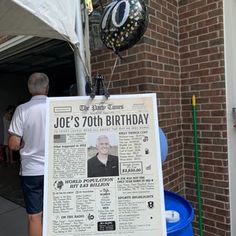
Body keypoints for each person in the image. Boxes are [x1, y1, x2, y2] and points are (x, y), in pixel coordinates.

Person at [8, 72, 49, 236]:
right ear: (47, 88)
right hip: (56, 169)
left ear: (29, 89)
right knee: (55, 213)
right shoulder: (56, 106)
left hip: (31, 171)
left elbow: (13, 144)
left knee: (34, 216)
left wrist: (22, 143)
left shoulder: (22, 110)